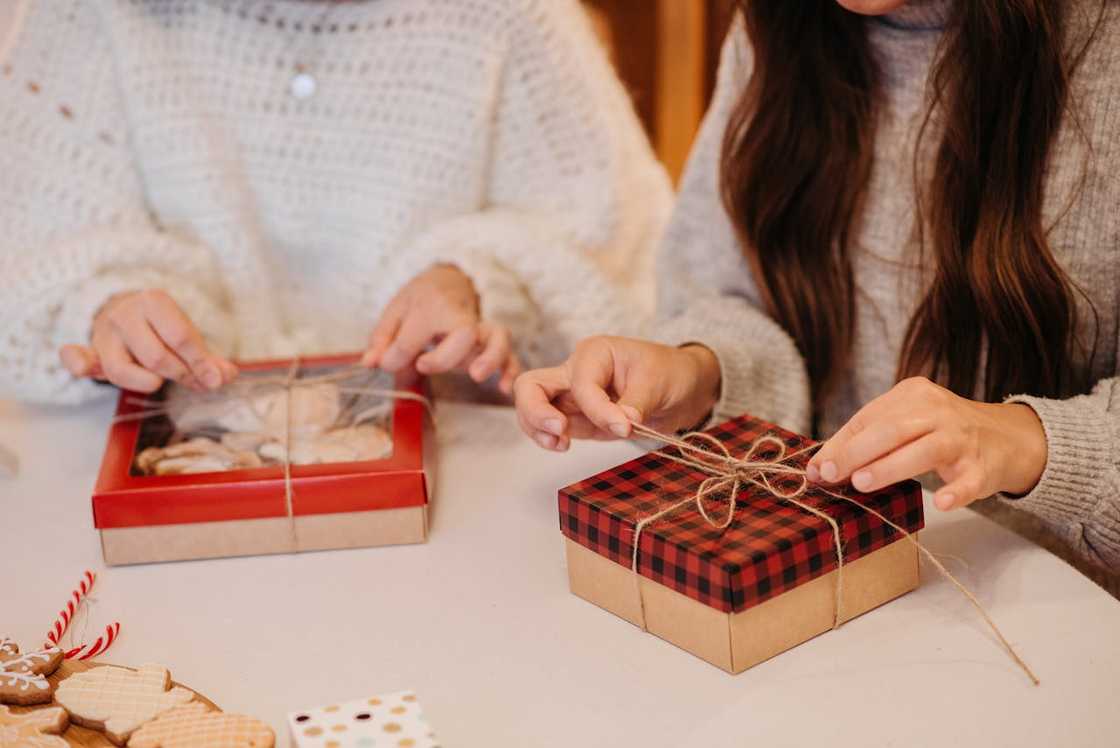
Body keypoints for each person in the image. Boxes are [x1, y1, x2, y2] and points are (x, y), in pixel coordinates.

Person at [514, 0, 1120, 571]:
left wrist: (1025, 443)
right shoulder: (775, 26)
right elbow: (728, 294)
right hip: (826, 583)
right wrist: (699, 371)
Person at [0, 0, 670, 402]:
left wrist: (475, 280)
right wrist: (106, 310)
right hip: (157, 479)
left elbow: (623, 259)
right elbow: (33, 255)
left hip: (461, 475)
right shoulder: (87, 15)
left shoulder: (511, 18)